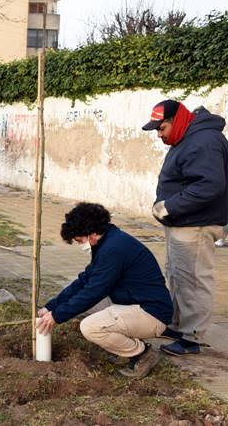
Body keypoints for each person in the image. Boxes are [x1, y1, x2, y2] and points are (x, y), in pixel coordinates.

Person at [36, 203, 173, 378]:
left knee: (90, 327)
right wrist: (52, 307)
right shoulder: (108, 240)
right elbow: (84, 281)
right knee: (84, 305)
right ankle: (127, 346)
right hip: (133, 303)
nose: (80, 245)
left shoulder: (113, 249)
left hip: (152, 313)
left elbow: (93, 291)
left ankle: (142, 353)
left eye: (79, 240)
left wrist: (56, 316)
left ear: (91, 234)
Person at [142, 100, 228, 356]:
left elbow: (210, 185)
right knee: (179, 276)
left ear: (177, 121)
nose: (159, 134)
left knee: (193, 279)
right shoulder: (187, 138)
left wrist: (171, 206)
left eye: (162, 128)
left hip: (196, 224)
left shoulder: (203, 142)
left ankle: (191, 337)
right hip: (185, 223)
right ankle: (180, 327)